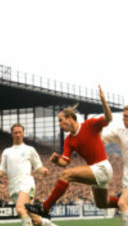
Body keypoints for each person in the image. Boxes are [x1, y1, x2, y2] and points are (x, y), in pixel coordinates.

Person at [25, 85, 115, 218]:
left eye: (61, 120)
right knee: (102, 203)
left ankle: (45, 207)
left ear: (70, 118)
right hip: (96, 171)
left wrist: (103, 101)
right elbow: (64, 162)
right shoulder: (69, 140)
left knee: (67, 175)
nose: (59, 124)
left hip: (103, 167)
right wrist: (56, 160)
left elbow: (108, 119)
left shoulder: (89, 125)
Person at [0, 123, 68, 226]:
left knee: (20, 209)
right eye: (15, 132)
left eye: (19, 132)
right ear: (12, 134)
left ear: (23, 133)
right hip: (14, 186)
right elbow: (2, 169)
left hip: (26, 182)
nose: (17, 134)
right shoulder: (7, 152)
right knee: (36, 220)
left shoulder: (29, 149)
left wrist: (43, 170)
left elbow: (38, 166)